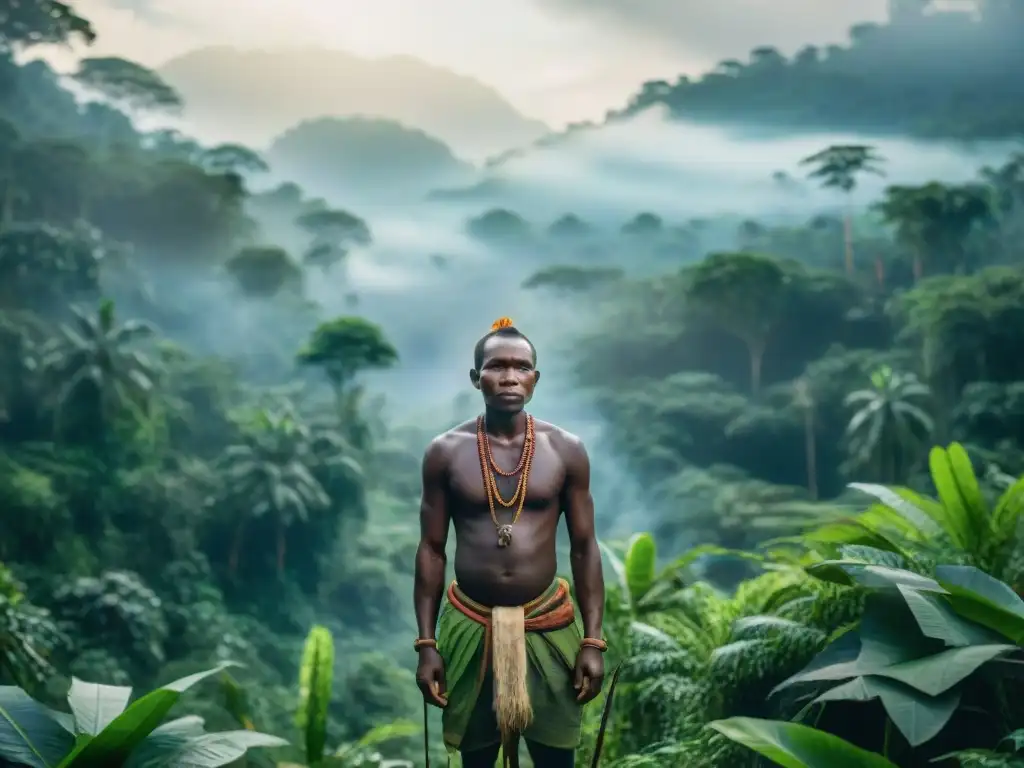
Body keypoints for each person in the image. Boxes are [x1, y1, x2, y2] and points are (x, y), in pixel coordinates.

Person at [413, 317, 606, 768]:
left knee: (555, 757)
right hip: (469, 624)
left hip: (548, 623)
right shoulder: (446, 451)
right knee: (476, 758)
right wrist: (426, 644)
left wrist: (593, 642)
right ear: (475, 376)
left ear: (535, 379)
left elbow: (584, 547)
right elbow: (431, 549)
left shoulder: (565, 449)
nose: (509, 377)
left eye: (521, 367)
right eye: (497, 366)